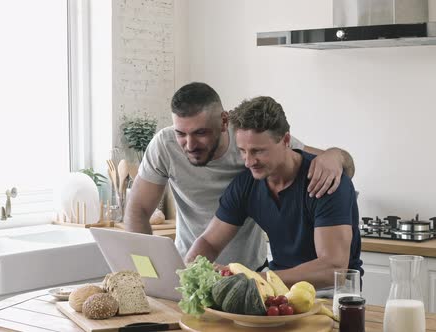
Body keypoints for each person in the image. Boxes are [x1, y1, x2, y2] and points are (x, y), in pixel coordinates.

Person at [124, 82, 355, 271]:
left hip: (252, 271)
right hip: (201, 268)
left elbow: (326, 163)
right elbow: (139, 211)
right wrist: (150, 274)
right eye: (181, 134)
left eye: (201, 133)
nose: (190, 144)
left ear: (224, 122)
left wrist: (335, 155)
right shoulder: (246, 180)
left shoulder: (258, 140)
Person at [184, 95, 362, 288]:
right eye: (242, 150)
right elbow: (209, 242)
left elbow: (333, 269)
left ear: (286, 140)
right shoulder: (246, 184)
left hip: (333, 293)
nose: (248, 161)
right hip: (277, 286)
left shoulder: (326, 181)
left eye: (258, 151)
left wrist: (251, 278)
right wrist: (190, 271)